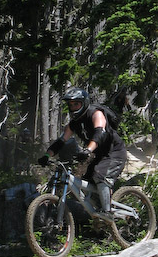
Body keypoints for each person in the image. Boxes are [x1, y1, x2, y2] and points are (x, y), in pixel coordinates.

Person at [38, 87, 127, 217]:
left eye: (76, 104)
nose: (73, 107)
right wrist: (47, 155)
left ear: (84, 103)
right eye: (71, 105)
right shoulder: (74, 123)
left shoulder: (95, 113)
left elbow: (100, 132)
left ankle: (107, 212)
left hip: (114, 152)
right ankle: (101, 213)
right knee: (87, 182)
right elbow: (61, 141)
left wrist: (88, 150)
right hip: (99, 155)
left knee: (100, 176)